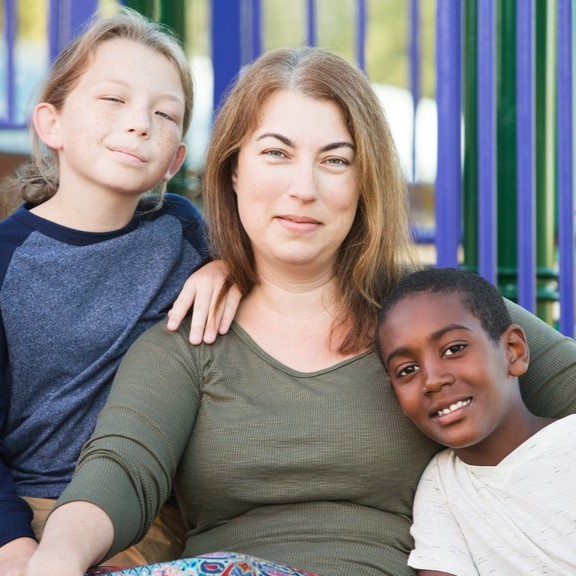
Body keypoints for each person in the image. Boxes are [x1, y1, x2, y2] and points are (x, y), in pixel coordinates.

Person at [25, 46, 576, 576]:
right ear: (233, 169)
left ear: (365, 182)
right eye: (276, 153)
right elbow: (120, 472)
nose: (303, 189)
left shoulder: (431, 314)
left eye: (335, 161)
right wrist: (56, 558)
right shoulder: (185, 339)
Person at [0, 8, 241, 576]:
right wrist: (17, 552)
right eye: (114, 100)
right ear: (50, 123)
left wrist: (227, 267)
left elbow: (275, 276)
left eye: (165, 114)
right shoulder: (7, 261)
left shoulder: (183, 233)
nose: (140, 124)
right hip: (24, 509)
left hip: (145, 513)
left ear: (175, 159)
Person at [375, 267, 576, 575]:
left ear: (513, 351)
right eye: (407, 370)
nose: (431, 381)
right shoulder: (441, 484)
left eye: (454, 349)